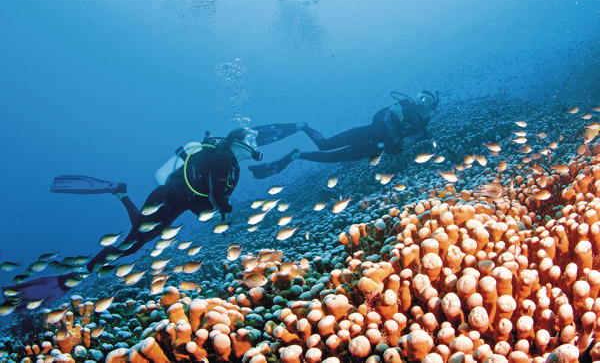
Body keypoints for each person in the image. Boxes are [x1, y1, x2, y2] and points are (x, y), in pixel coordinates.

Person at [2, 128, 261, 310]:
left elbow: (205, 197)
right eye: (252, 139)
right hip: (168, 198)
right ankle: (83, 269)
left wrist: (218, 208)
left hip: (173, 201)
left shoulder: (226, 160)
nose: (256, 145)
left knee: (136, 238)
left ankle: (120, 194)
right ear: (239, 142)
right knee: (134, 241)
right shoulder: (221, 159)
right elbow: (215, 196)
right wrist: (224, 209)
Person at [249, 91, 439, 179]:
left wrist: (403, 143)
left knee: (331, 158)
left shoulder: (422, 131)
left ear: (432, 107)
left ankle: (296, 155)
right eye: (421, 97)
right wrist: (391, 116)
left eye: (427, 100)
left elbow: (395, 150)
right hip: (365, 133)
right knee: (324, 145)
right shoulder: (403, 105)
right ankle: (302, 127)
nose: (422, 102)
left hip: (370, 150)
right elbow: (377, 118)